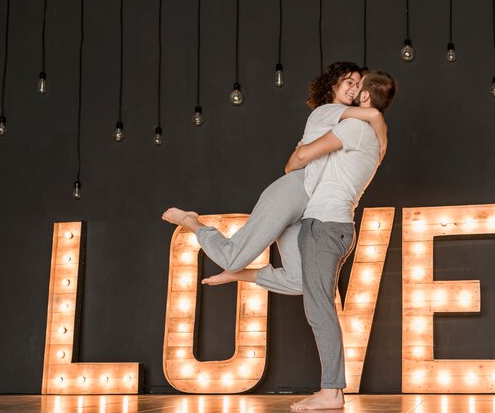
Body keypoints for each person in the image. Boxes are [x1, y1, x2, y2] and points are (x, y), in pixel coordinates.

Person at [162, 62, 386, 296]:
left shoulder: (347, 124)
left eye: (358, 85)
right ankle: (191, 222)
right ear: (333, 85)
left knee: (302, 282)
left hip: (309, 208)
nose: (354, 89)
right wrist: (383, 143)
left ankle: (237, 276)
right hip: (293, 192)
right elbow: (372, 114)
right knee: (232, 257)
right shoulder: (327, 111)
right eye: (349, 82)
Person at [287, 70, 397, 410]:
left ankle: (332, 391)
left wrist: (296, 154)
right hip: (340, 226)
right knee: (313, 300)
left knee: (319, 308)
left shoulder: (353, 127)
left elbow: (300, 160)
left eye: (357, 87)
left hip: (324, 223)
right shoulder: (377, 137)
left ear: (365, 98)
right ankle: (331, 388)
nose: (351, 91)